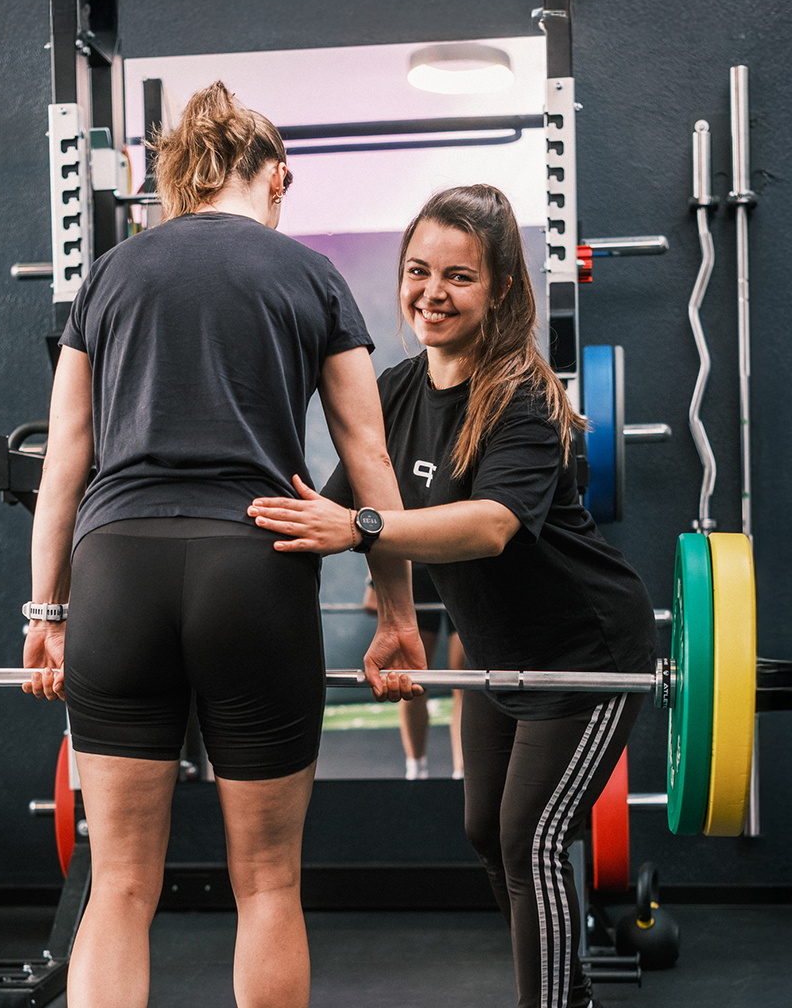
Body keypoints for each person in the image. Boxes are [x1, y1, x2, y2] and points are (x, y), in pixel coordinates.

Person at [21, 81, 424, 1008]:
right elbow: (369, 455)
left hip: (117, 568)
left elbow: (65, 464)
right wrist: (397, 615)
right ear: (281, 173)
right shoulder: (309, 272)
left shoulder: (112, 274)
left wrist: (47, 612)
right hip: (255, 565)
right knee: (269, 885)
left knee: (118, 887)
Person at [248, 184, 659, 1008]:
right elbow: (319, 509)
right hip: (501, 664)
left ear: (501, 286)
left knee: (531, 838)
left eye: (458, 277)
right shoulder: (393, 394)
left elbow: (491, 526)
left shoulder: (525, 397)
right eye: (417, 271)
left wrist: (360, 526)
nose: (431, 293)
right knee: (486, 832)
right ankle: (566, 992)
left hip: (588, 658)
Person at [363, 564, 465, 779]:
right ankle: (416, 769)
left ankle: (462, 772)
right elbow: (385, 531)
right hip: (415, 565)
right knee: (411, 679)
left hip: (461, 562)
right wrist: (373, 581)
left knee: (464, 681)